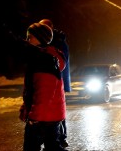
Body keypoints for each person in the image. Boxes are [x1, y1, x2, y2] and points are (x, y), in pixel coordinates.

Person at [11, 22, 67, 151]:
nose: (27, 40)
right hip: (50, 116)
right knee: (52, 147)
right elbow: (33, 90)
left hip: (42, 118)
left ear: (40, 38)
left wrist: (35, 117)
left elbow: (44, 92)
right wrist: (26, 107)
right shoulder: (45, 57)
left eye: (30, 37)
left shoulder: (44, 60)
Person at [39, 19, 71, 148]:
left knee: (57, 112)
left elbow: (62, 63)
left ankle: (60, 137)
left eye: (45, 27)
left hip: (56, 81)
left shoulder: (58, 41)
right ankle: (48, 138)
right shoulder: (40, 41)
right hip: (44, 80)